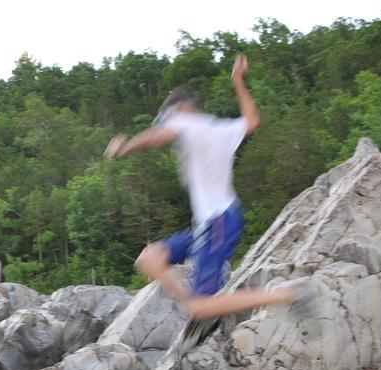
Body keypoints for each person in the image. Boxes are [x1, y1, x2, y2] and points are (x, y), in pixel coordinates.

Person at [104, 53, 302, 353]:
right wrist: (238, 81)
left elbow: (155, 138)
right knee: (149, 258)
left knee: (200, 305)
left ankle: (287, 296)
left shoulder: (184, 122)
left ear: (179, 110)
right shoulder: (219, 128)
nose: (165, 125)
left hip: (219, 222)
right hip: (212, 223)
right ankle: (199, 309)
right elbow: (252, 121)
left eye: (164, 118)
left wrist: (125, 148)